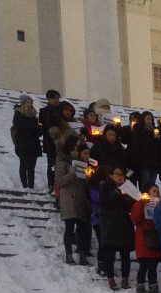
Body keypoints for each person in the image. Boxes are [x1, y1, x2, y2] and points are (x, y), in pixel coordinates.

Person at [54, 137, 92, 265]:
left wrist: (88, 178)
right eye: (75, 150)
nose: (76, 152)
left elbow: (85, 184)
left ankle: (82, 254)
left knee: (81, 229)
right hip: (68, 199)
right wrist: (71, 172)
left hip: (80, 199)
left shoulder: (82, 164)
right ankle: (68, 253)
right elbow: (59, 181)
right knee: (69, 228)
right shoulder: (63, 162)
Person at [130, 183, 161, 293]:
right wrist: (141, 204)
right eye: (154, 191)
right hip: (143, 237)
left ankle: (153, 288)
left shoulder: (159, 205)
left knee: (153, 264)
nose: (156, 194)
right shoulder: (139, 203)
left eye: (157, 192)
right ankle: (140, 288)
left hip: (155, 236)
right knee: (144, 264)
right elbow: (135, 218)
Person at [10, 95, 42, 189]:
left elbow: (38, 132)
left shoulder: (34, 116)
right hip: (23, 144)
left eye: (31, 102)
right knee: (24, 164)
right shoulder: (18, 114)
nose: (30, 104)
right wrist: (33, 128)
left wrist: (38, 129)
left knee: (32, 166)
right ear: (23, 103)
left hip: (34, 144)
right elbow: (19, 127)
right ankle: (25, 185)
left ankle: (31, 185)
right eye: (28, 102)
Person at [38, 90, 62, 190]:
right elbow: (42, 126)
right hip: (50, 141)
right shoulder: (44, 111)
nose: (56, 100)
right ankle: (51, 183)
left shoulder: (61, 110)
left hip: (61, 141)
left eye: (57, 98)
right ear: (48, 99)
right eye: (54, 98)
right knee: (51, 163)